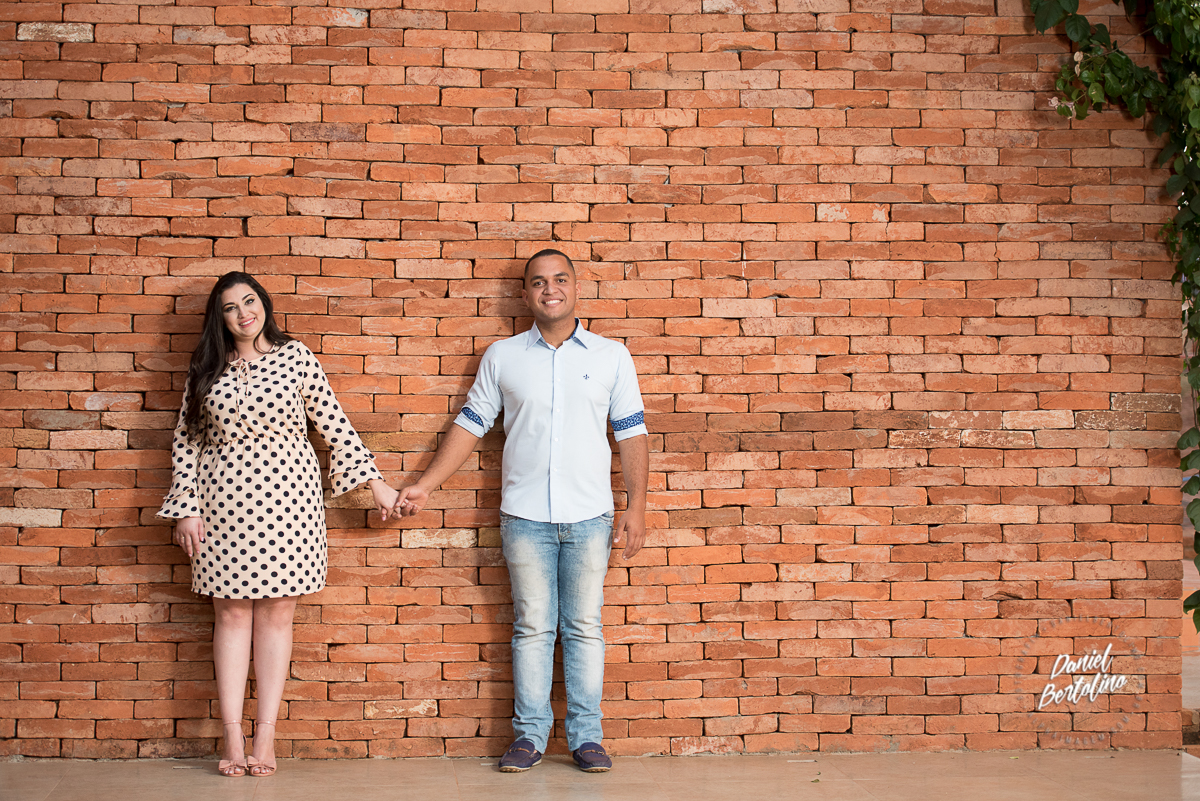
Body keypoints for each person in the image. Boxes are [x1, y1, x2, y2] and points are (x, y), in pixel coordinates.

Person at [394, 249, 649, 773]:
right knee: (532, 627)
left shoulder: (612, 356)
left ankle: (587, 739)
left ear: (576, 287)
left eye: (560, 279)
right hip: (525, 517)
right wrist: (424, 485)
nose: (550, 289)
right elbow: (470, 425)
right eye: (538, 281)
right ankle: (529, 737)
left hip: (591, 517)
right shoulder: (503, 356)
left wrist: (637, 506)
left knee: (584, 626)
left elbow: (632, 434)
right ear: (526, 293)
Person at [158, 271, 400, 777]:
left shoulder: (296, 357)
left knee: (276, 615)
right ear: (219, 317)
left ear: (264, 304)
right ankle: (232, 737)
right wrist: (186, 506)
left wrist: (375, 485)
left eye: (249, 301)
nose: (243, 313)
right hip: (221, 503)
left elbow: (334, 424)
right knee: (230, 615)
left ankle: (265, 738)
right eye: (230, 307)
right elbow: (186, 440)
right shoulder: (207, 367)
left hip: (289, 504)